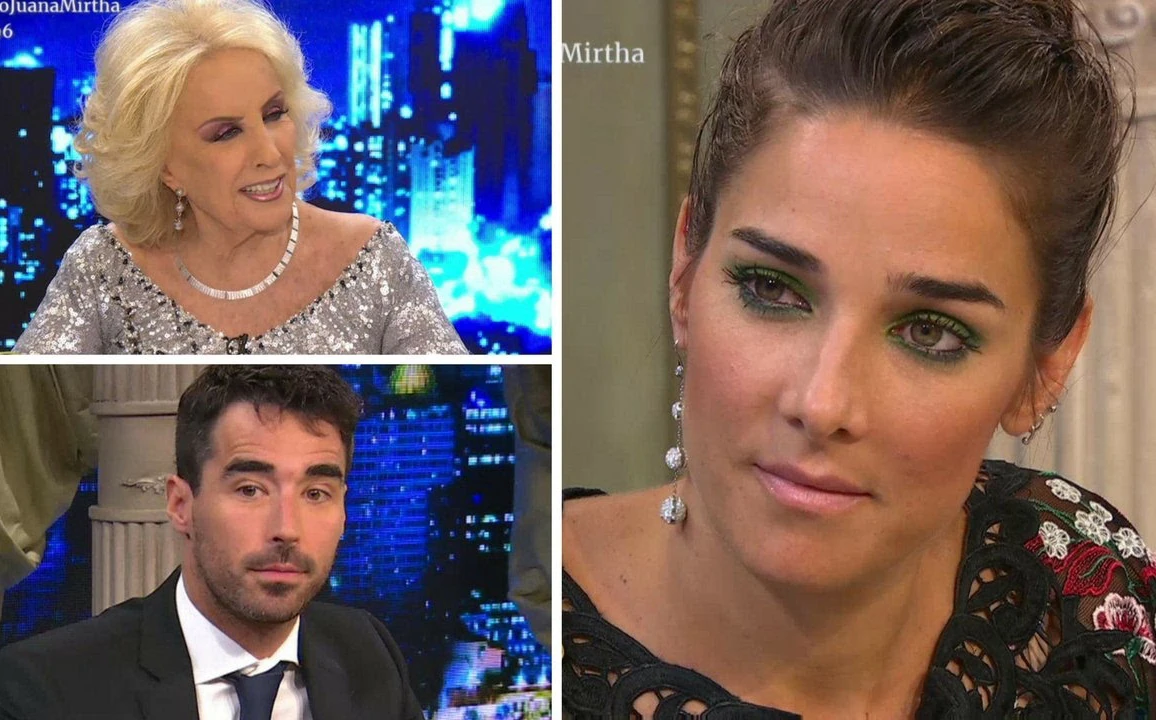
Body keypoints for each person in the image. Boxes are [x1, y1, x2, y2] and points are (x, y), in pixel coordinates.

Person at [561, 1, 1156, 718]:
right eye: (771, 288)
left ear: (1049, 364)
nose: (822, 404)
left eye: (931, 333)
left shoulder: (1085, 587)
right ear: (685, 271)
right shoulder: (489, 639)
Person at [13, 0, 466, 355]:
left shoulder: (375, 258)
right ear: (164, 165)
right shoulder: (103, 266)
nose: (269, 153)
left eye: (274, 114)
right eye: (226, 133)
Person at [0, 365, 424, 719]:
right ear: (181, 505)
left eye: (315, 494)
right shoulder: (47, 690)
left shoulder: (369, 653)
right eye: (250, 490)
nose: (287, 529)